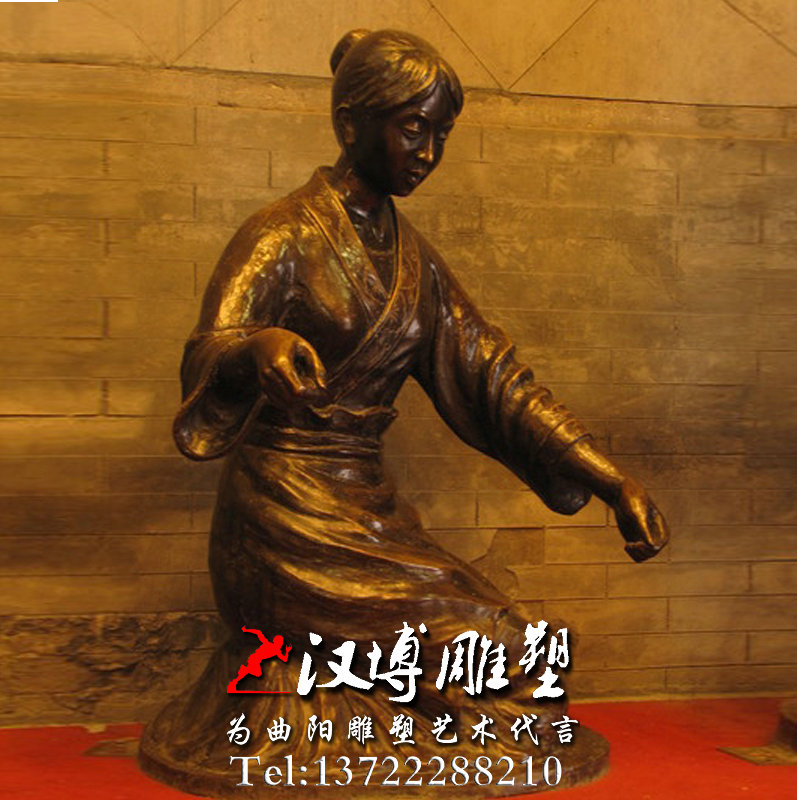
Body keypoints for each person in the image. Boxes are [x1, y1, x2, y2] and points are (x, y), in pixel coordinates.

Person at [140, 29, 668, 794]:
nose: (427, 151)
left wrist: (612, 481)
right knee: (497, 663)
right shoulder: (282, 235)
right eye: (413, 127)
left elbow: (496, 381)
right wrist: (256, 347)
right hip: (281, 520)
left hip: (367, 515)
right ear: (350, 123)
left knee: (522, 660)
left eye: (441, 134)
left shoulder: (417, 265)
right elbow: (207, 349)